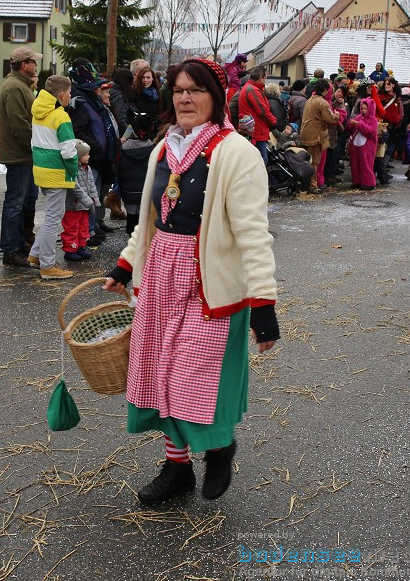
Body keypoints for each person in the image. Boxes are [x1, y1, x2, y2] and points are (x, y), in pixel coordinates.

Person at [102, 58, 278, 505]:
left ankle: (219, 449)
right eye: (178, 89)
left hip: (207, 282)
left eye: (195, 90)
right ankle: (176, 467)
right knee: (159, 371)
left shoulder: (237, 153)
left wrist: (263, 300)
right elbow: (150, 219)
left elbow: (253, 234)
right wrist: (126, 264)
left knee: (193, 375)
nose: (184, 98)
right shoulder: (166, 148)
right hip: (161, 275)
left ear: (216, 97)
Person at [29, 75, 78, 279]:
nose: (70, 96)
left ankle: (35, 255)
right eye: (68, 92)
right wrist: (73, 171)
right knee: (52, 219)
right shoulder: (61, 116)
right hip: (58, 173)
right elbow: (69, 150)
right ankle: (48, 266)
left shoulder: (38, 112)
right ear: (61, 94)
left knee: (51, 216)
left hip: (42, 170)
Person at [0, 47, 42, 266]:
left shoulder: (22, 86)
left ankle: (21, 241)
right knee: (15, 202)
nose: (36, 66)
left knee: (27, 201)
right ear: (24, 65)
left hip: (27, 155)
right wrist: (35, 145)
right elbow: (18, 124)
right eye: (34, 62)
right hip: (20, 156)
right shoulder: (14, 87)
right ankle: (10, 249)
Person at [68, 58, 118, 246]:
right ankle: (88, 230)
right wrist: (94, 146)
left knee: (98, 193)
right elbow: (78, 131)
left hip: (101, 157)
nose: (100, 90)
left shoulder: (94, 103)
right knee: (90, 195)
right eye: (97, 86)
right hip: (93, 157)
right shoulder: (81, 103)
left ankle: (95, 224)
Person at [117, 110, 156, 236]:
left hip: (128, 190)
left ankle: (130, 230)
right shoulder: (151, 148)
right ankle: (141, 233)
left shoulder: (125, 148)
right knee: (142, 210)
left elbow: (118, 168)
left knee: (131, 210)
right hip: (144, 189)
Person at [299, 79, 337, 192]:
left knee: (307, 161)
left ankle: (305, 185)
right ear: (325, 90)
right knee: (314, 162)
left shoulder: (309, 100)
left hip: (305, 133)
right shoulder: (322, 102)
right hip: (315, 136)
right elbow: (329, 119)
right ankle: (313, 186)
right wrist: (336, 116)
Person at [62, 140, 97, 262]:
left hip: (85, 204)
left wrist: (95, 199)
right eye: (86, 154)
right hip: (74, 205)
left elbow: (92, 185)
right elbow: (74, 187)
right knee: (72, 227)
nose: (89, 156)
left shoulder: (88, 168)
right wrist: (87, 201)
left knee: (84, 226)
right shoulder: (72, 169)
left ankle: (81, 246)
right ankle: (70, 249)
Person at [237, 67, 276, 164]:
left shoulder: (248, 87)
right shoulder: (253, 90)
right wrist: (274, 122)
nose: (265, 81)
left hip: (253, 129)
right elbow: (263, 111)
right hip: (257, 130)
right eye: (265, 78)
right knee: (262, 161)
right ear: (260, 78)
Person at [346, 96, 378, 190]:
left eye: (365, 109)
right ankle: (356, 181)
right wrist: (350, 124)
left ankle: (368, 182)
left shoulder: (373, 120)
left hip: (367, 146)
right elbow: (350, 130)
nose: (363, 111)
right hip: (356, 145)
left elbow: (371, 132)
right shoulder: (359, 117)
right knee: (355, 163)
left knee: (366, 164)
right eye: (362, 108)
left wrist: (359, 124)